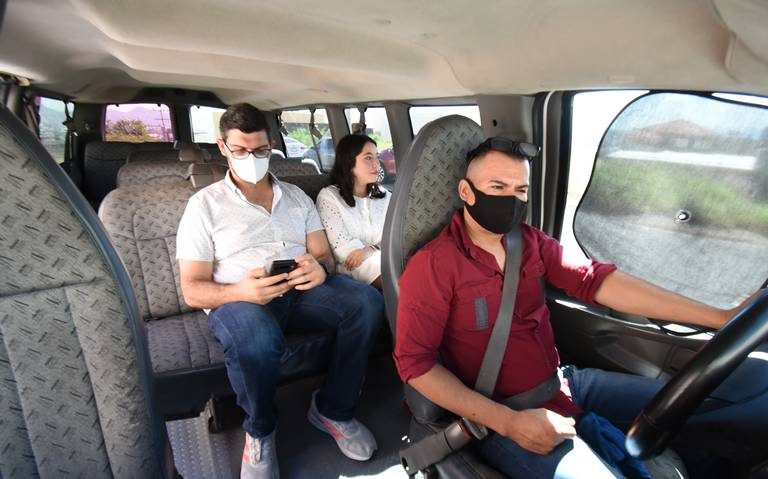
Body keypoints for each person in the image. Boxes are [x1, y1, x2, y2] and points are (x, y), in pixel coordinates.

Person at [393, 137, 753, 478]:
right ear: (466, 191)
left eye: (520, 190)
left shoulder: (528, 242)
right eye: (497, 187)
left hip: (564, 384)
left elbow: (593, 280)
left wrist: (720, 317)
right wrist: (509, 423)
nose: (511, 200)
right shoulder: (434, 265)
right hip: (501, 415)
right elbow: (416, 365)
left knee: (688, 408)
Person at [176, 103, 383, 479]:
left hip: (299, 292)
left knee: (365, 301)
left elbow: (323, 255)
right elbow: (192, 289)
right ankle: (260, 431)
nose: (251, 158)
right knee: (256, 338)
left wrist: (319, 269)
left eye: (259, 150)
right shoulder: (203, 206)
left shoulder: (297, 197)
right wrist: (240, 291)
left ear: (271, 145)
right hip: (239, 298)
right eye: (240, 151)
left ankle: (333, 409)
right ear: (223, 147)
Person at [316, 134, 390, 289]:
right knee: (393, 275)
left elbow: (396, 236)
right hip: (351, 264)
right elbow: (343, 249)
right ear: (349, 162)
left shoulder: (385, 196)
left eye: (377, 157)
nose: (377, 163)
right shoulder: (329, 197)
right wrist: (371, 252)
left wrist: (372, 249)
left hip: (386, 256)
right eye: (368, 158)